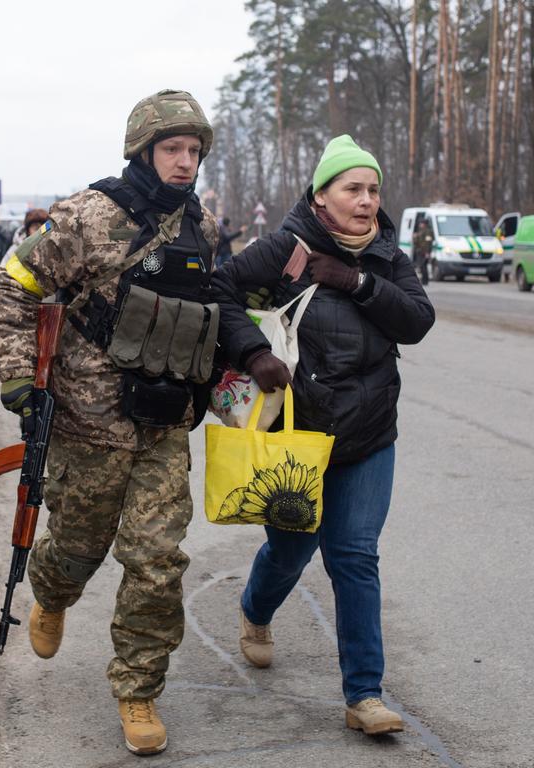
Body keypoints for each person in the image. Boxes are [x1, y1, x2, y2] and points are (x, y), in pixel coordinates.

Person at [0, 89, 220, 755]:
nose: (184, 162)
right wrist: (16, 378)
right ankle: (52, 593)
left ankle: (138, 690)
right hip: (90, 425)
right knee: (78, 548)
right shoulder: (89, 215)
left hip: (165, 423)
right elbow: (14, 285)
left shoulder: (198, 224)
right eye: (172, 149)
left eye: (193, 151)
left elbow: (212, 307)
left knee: (156, 560)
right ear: (143, 151)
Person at [211, 134, 435, 737]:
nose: (366, 201)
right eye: (352, 189)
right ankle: (255, 611)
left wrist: (356, 282)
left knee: (355, 557)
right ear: (322, 196)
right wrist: (254, 351)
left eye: (373, 189)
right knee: (290, 550)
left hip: (368, 439)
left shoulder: (388, 256)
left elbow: (417, 321)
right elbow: (220, 291)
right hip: (296, 436)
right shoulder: (286, 248)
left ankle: (364, 695)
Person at [412, 218, 433, 286]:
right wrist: (415, 237)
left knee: (424, 266)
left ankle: (425, 280)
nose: (420, 224)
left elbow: (428, 242)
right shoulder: (420, 231)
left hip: (424, 252)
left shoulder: (428, 232)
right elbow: (417, 242)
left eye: (421, 223)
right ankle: (423, 280)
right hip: (420, 251)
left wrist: (427, 252)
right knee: (421, 266)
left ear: (424, 224)